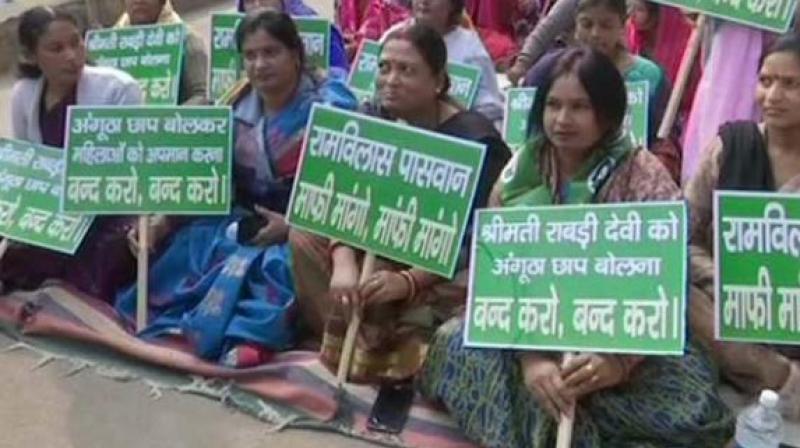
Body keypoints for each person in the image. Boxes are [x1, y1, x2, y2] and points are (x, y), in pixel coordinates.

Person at [418, 47, 735, 448]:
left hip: (618, 337)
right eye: (553, 105)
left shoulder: (643, 176)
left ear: (606, 112)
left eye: (579, 107)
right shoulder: (520, 172)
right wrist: (531, 358)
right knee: (456, 344)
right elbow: (496, 274)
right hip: (527, 329)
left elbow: (665, 280)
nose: (563, 120)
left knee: (689, 403)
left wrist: (617, 361)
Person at [115, 10, 358, 368]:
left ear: (296, 54)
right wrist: (163, 221)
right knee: (196, 249)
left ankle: (253, 338)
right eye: (250, 55)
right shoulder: (234, 105)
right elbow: (206, 174)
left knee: (275, 269)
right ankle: (192, 327)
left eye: (271, 52)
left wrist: (291, 226)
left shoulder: (331, 107)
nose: (260, 64)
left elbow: (349, 189)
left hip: (308, 227)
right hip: (243, 217)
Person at [289, 23, 511, 383]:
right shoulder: (371, 119)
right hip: (381, 243)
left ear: (438, 81)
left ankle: (401, 353)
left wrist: (407, 281)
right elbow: (341, 200)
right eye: (384, 67)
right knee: (304, 236)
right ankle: (357, 339)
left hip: (438, 267)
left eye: (406, 70)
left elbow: (476, 241)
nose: (390, 79)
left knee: (467, 284)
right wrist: (343, 260)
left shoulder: (475, 141)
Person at [686, 34, 800, 421]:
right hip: (726, 313)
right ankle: (767, 372)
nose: (773, 95)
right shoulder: (731, 146)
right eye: (766, 81)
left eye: (790, 84)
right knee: (678, 293)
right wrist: (727, 279)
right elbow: (684, 237)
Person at [1, 6, 142, 302]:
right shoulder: (23, 94)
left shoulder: (118, 89)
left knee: (106, 257)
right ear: (31, 54)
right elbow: (29, 167)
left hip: (106, 212)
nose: (71, 55)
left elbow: (127, 169)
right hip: (54, 215)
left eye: (76, 42)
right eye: (56, 48)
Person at [524, 0, 668, 147]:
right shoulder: (545, 71)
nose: (595, 34)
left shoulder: (648, 77)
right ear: (576, 24)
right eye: (587, 24)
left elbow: (661, 137)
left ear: (623, 26)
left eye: (606, 26)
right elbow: (529, 137)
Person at [383, 0, 505, 126]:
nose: (424, 2)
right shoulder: (393, 36)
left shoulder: (471, 51)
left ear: (452, 5)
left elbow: (491, 110)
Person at [114, 0, 208, 105]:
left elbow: (202, 96)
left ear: (162, 2)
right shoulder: (108, 46)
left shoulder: (188, 41)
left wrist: (167, 118)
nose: (139, 1)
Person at [238, 0, 350, 76]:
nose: (258, 5)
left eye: (270, 52)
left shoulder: (323, 33)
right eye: (249, 0)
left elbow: (341, 79)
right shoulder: (236, 30)